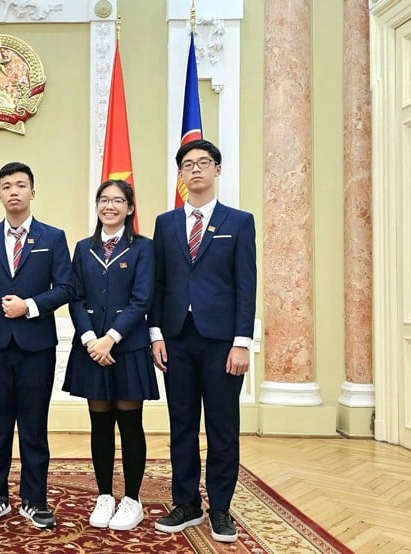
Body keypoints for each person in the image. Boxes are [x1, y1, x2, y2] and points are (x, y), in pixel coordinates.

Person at [148, 139, 256, 543]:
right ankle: (187, 502)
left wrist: (242, 341)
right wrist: (155, 332)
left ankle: (221, 508)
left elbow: (247, 284)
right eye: (188, 165)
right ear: (180, 175)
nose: (195, 170)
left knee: (223, 426)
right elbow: (158, 283)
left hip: (222, 341)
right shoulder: (166, 223)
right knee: (182, 424)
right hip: (176, 339)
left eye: (203, 163)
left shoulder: (238, 222)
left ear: (217, 170)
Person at [0, 162, 74, 529]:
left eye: (20, 185)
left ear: (33, 191)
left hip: (36, 347)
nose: (13, 191)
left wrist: (29, 307)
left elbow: (66, 287)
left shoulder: (53, 237)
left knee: (33, 426)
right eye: (6, 186)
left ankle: (34, 498)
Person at [63, 179, 158, 531]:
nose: (110, 206)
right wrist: (91, 339)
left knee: (130, 423)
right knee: (99, 423)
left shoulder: (143, 248)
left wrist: (111, 339)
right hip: (90, 348)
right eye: (104, 199)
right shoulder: (83, 248)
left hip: (127, 348)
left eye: (118, 200)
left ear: (130, 208)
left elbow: (142, 299)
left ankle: (132, 499)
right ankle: (105, 495)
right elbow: (74, 296)